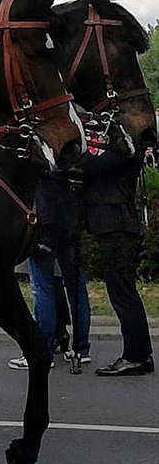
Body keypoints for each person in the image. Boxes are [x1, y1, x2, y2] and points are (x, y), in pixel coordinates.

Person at [81, 143, 155, 376]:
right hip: (113, 224)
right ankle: (139, 353)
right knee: (122, 291)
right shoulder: (124, 145)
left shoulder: (126, 145)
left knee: (122, 292)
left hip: (116, 224)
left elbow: (93, 166)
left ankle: (136, 356)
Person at [8, 170, 91, 370]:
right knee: (76, 287)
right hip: (69, 226)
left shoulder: (42, 164)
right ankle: (82, 349)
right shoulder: (69, 160)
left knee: (42, 287)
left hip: (45, 229)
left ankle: (43, 348)